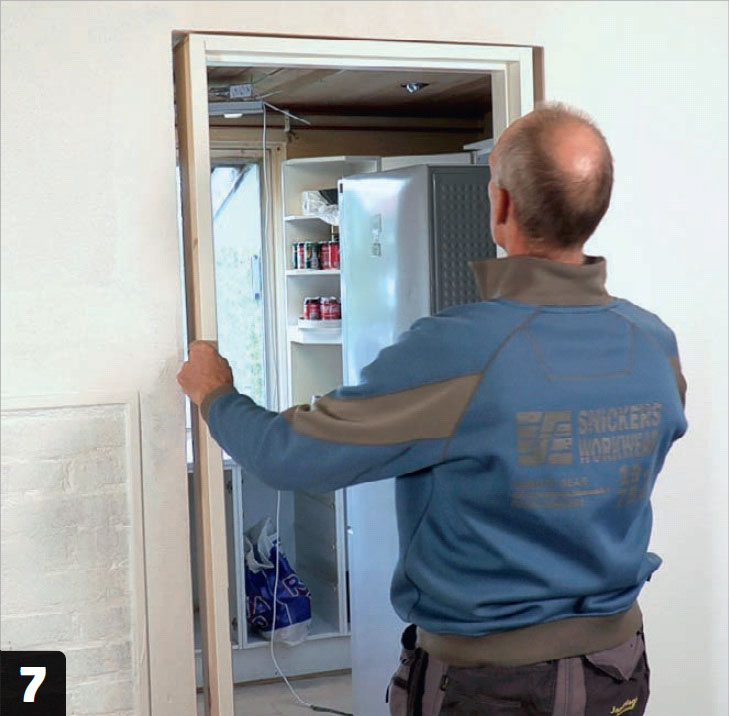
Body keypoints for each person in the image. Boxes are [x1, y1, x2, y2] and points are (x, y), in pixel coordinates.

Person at [178, 102, 687, 716]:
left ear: (501, 206)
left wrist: (216, 394)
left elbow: (288, 456)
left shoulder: (460, 349)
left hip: (493, 687)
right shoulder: (655, 344)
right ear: (597, 209)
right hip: (618, 670)